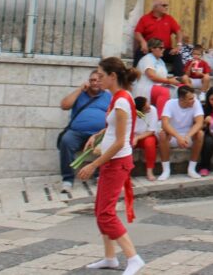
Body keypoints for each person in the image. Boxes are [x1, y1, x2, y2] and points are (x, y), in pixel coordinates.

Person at [75, 56, 144, 275]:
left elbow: (121, 140)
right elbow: (114, 129)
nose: (98, 79)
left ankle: (133, 258)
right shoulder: (118, 98)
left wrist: (92, 164)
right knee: (101, 210)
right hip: (113, 160)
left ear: (113, 76)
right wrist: (98, 135)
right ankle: (110, 257)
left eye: (102, 76)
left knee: (105, 213)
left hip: (117, 162)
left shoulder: (122, 101)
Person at [58, 70, 111, 191]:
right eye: (92, 80)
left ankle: (100, 175)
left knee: (108, 142)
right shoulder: (80, 94)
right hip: (77, 132)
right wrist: (79, 90)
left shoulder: (108, 97)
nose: (95, 83)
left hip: (99, 134)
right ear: (88, 81)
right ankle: (67, 180)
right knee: (66, 141)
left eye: (98, 80)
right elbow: (64, 105)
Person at [158, 85, 204, 181]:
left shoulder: (196, 103)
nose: (193, 100)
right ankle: (166, 170)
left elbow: (199, 123)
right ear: (182, 99)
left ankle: (191, 168)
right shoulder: (170, 103)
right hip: (173, 136)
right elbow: (164, 124)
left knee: (200, 134)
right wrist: (178, 137)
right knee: (162, 134)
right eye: (190, 98)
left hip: (188, 136)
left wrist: (187, 136)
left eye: (193, 97)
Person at [134, 40, 184, 117]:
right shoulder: (148, 59)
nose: (163, 50)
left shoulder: (161, 61)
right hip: (146, 87)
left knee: (182, 88)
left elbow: (162, 76)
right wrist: (169, 81)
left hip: (158, 85)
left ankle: (178, 115)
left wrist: (174, 79)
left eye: (163, 48)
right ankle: (160, 118)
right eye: (161, 48)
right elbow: (151, 76)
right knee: (163, 92)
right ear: (152, 48)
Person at [133, 0, 181, 75]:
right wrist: (143, 42)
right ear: (155, 7)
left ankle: (178, 79)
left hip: (163, 50)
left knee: (177, 55)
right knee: (139, 52)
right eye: (164, 5)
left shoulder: (169, 18)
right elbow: (137, 33)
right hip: (149, 49)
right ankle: (134, 77)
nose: (166, 7)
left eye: (167, 5)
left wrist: (178, 46)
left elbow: (178, 32)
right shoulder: (145, 18)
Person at [132, 96, 159, 181]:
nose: (149, 107)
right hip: (133, 136)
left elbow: (151, 131)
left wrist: (137, 138)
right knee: (127, 145)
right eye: (146, 107)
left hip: (146, 135)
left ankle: (149, 171)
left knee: (150, 142)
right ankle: (126, 173)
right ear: (140, 110)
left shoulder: (153, 110)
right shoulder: (132, 113)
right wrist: (134, 138)